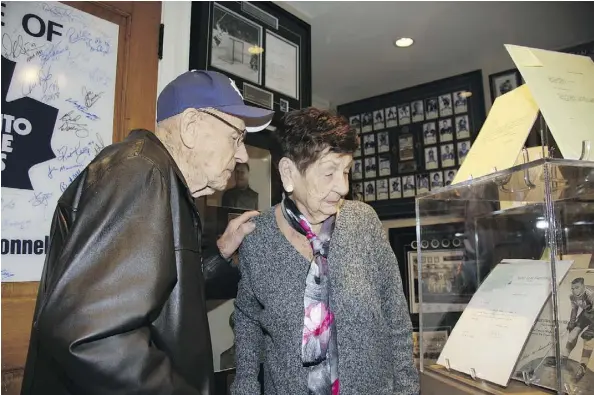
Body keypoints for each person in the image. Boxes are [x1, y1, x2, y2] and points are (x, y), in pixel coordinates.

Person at [20, 70, 274, 395]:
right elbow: (92, 332)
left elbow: (161, 296)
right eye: (236, 137)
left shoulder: (156, 178)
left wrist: (221, 252)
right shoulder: (142, 174)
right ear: (191, 126)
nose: (241, 155)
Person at [231, 108, 419, 395]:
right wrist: (245, 385)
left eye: (346, 171)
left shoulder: (363, 222)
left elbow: (395, 313)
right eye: (329, 172)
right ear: (288, 173)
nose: (342, 187)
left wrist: (407, 389)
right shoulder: (258, 237)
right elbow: (247, 317)